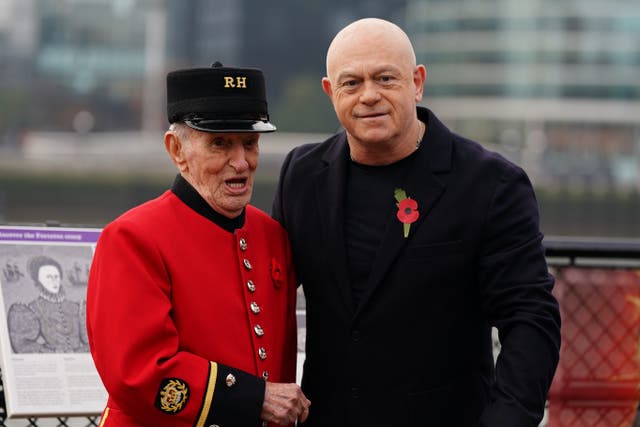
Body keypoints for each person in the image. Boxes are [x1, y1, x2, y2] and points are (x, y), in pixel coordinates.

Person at [271, 18, 561, 426]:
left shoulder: (491, 183)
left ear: (417, 81)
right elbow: (266, 299)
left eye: (385, 79)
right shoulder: (301, 174)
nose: (368, 96)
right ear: (329, 92)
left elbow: (530, 319)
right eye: (351, 83)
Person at [87, 62, 310, 427]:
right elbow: (138, 373)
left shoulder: (272, 236)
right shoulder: (132, 238)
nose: (240, 162)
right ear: (177, 150)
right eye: (220, 144)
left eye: (250, 143)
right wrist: (255, 398)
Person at [8, 254, 89, 353]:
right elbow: (23, 345)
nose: (54, 281)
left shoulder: (77, 307)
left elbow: (93, 342)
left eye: (56, 276)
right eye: (48, 277)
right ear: (38, 281)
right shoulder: (32, 309)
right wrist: (51, 353)